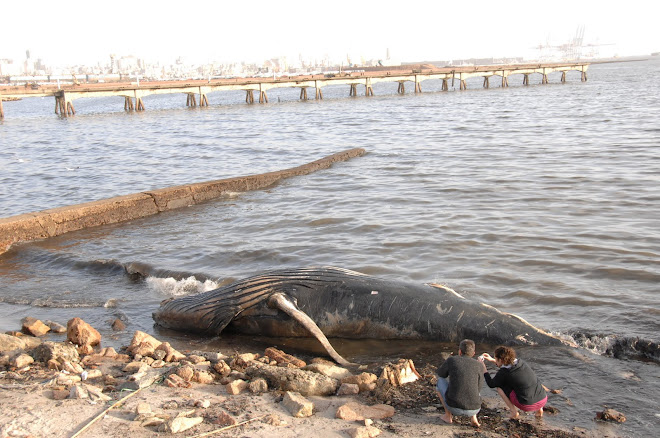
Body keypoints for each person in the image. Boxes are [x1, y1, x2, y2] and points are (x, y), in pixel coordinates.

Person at [479, 346, 547, 419]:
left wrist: (483, 367)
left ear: (501, 360)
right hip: (543, 399)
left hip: (527, 405)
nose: (495, 359)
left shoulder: (504, 372)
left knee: (499, 388)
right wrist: (492, 360)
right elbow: (507, 364)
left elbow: (491, 384)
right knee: (529, 382)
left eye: (496, 358)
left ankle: (513, 412)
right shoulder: (521, 363)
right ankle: (539, 410)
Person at [436, 339, 484, 427]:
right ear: (473, 353)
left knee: (440, 381)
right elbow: (480, 387)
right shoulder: (479, 365)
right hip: (475, 408)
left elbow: (441, 374)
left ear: (459, 352)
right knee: (475, 386)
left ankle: (448, 416)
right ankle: (474, 418)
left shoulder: (452, 360)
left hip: (454, 407)